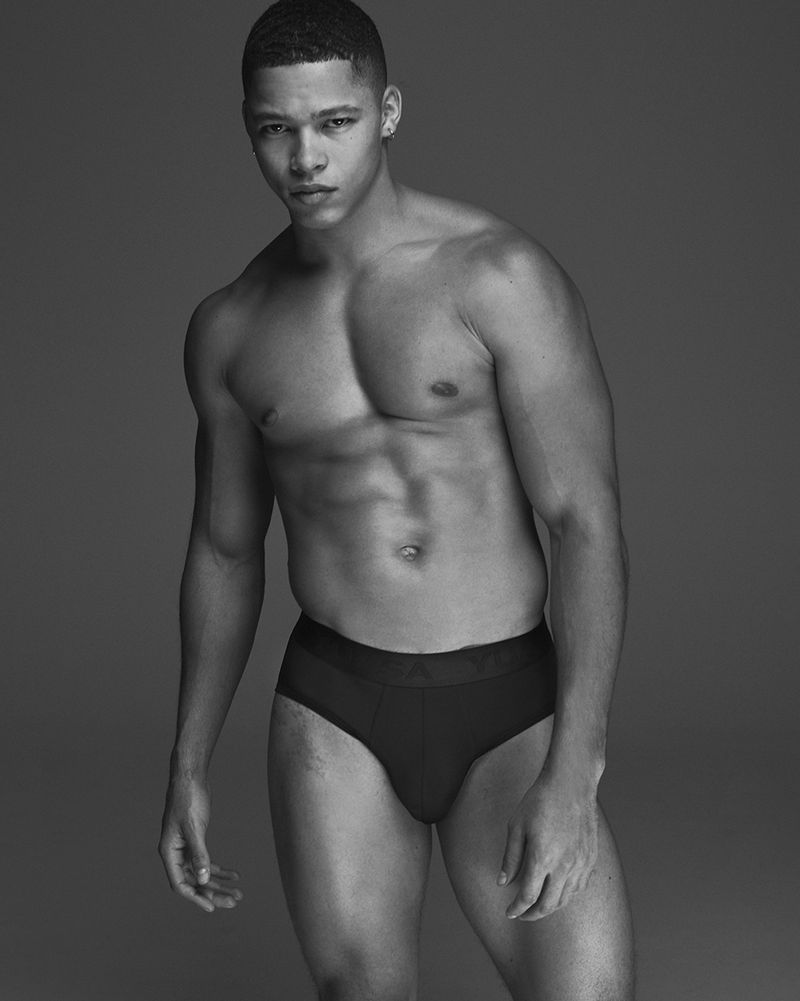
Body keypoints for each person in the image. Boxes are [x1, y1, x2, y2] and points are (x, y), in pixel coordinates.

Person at [158, 1, 635, 997]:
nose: (305, 158)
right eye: (276, 128)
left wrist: (575, 765)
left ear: (386, 112)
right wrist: (188, 763)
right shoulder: (230, 327)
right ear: (248, 127)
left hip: (508, 702)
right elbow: (225, 549)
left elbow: (581, 521)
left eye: (333, 122)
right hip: (335, 704)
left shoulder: (499, 278)